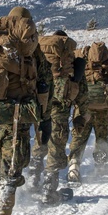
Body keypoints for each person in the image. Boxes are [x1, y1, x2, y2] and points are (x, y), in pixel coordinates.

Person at [0, 6, 49, 215]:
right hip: (17, 115)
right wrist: (44, 115)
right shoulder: (29, 46)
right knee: (11, 171)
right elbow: (45, 78)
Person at [33, 31, 83, 204]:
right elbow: (81, 93)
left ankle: (33, 182)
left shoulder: (41, 57)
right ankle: (49, 192)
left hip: (41, 103)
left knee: (39, 140)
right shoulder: (71, 64)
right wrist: (80, 115)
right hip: (60, 108)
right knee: (56, 145)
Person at [67, 41, 108, 182]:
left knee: (79, 135)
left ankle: (74, 165)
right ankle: (100, 166)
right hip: (103, 108)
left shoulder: (83, 60)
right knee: (101, 136)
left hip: (84, 106)